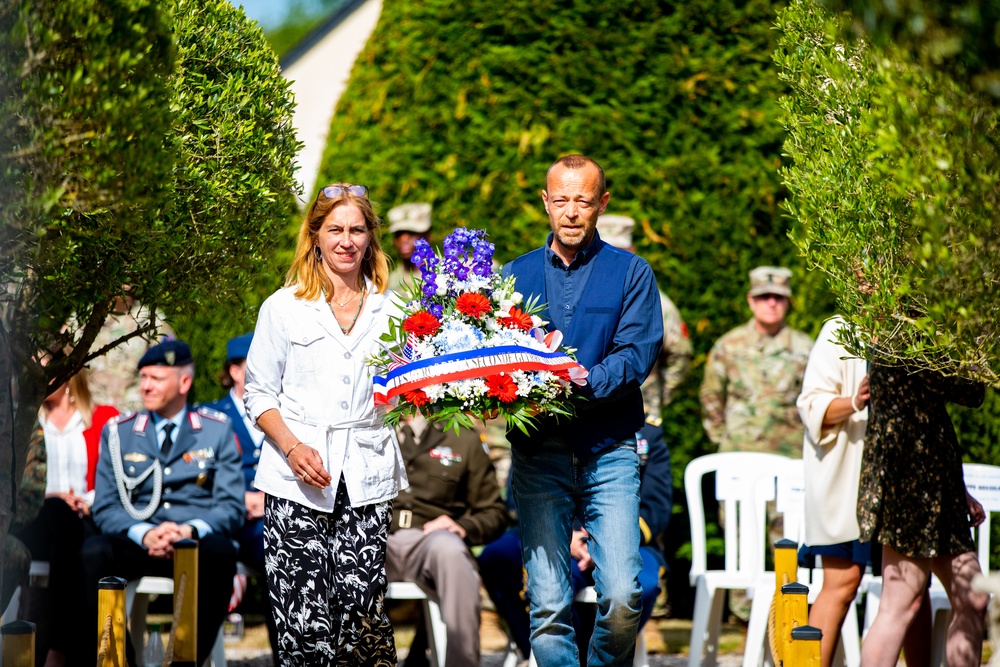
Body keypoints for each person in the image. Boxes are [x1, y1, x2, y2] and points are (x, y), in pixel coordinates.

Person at [501, 154, 663, 666]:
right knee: (547, 607)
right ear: (546, 203)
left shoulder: (631, 272)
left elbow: (636, 353)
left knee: (621, 600)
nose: (572, 212)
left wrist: (577, 382)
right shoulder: (512, 277)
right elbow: (492, 355)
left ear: (602, 204)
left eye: (584, 201)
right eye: (562, 200)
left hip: (608, 450)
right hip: (537, 453)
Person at [244, 182, 407, 666]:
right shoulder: (283, 306)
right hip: (296, 480)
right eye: (335, 229)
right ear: (315, 235)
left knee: (361, 616)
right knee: (304, 621)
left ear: (370, 238)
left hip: (365, 475)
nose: (346, 240)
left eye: (357, 230)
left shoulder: (393, 309)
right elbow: (258, 392)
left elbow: (413, 384)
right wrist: (292, 448)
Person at [83, 339, 244, 666]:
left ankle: (186, 661)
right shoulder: (120, 432)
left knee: (222, 552)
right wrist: (142, 533)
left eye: (155, 379)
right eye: (143, 378)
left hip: (192, 543)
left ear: (184, 382)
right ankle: (120, 661)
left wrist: (189, 529)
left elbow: (230, 506)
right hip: (139, 541)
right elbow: (105, 506)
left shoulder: (215, 430)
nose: (145, 386)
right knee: (93, 552)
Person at [479, 420, 672, 664]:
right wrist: (566, 534)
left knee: (634, 589)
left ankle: (590, 654)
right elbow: (518, 492)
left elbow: (657, 507)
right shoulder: (534, 418)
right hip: (561, 533)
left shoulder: (646, 431)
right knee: (506, 562)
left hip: (627, 540)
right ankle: (537, 649)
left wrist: (603, 540)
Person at [858, 363, 988, 667]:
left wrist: (958, 491)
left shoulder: (911, 329)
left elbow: (926, 417)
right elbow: (971, 391)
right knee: (898, 606)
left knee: (973, 598)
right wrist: (978, 350)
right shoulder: (905, 334)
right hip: (911, 485)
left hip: (937, 486)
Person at [13, 369, 117, 667]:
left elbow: (115, 480)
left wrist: (87, 501)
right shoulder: (25, 422)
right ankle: (68, 651)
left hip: (85, 516)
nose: (38, 377)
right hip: (36, 518)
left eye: (46, 370)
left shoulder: (102, 418)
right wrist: (52, 498)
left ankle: (55, 648)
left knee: (77, 541)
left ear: (69, 372)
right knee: (60, 515)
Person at [387, 414, 507, 667]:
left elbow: (493, 512)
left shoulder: (461, 435)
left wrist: (462, 527)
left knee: (450, 549)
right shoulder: (368, 425)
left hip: (428, 541)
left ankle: (461, 662)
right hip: (372, 539)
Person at [202, 331, 278, 660]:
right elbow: (197, 474)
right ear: (235, 370)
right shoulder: (209, 417)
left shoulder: (286, 413)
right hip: (224, 518)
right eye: (256, 365)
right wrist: (236, 498)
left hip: (269, 519)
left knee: (281, 555)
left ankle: (287, 656)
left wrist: (271, 501)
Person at [700, 265, 813, 456]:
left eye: (779, 297)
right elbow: (711, 394)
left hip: (790, 454)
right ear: (751, 300)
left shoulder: (806, 348)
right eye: (763, 296)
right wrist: (722, 437)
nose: (771, 303)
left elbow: (814, 399)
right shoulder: (728, 345)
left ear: (787, 301)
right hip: (738, 452)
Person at [596, 214, 692, 419]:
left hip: (642, 416)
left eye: (621, 252)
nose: (615, 260)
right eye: (607, 251)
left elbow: (680, 355)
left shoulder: (657, 302)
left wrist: (655, 397)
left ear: (632, 252)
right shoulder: (578, 295)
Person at [87, 291, 174, 413]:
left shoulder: (151, 319)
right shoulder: (83, 318)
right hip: (90, 414)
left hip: (135, 415)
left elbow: (169, 367)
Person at [387, 202, 432, 293]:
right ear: (393, 241)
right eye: (399, 234)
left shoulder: (448, 274)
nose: (404, 239)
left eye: (412, 233)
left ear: (428, 237)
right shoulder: (389, 284)